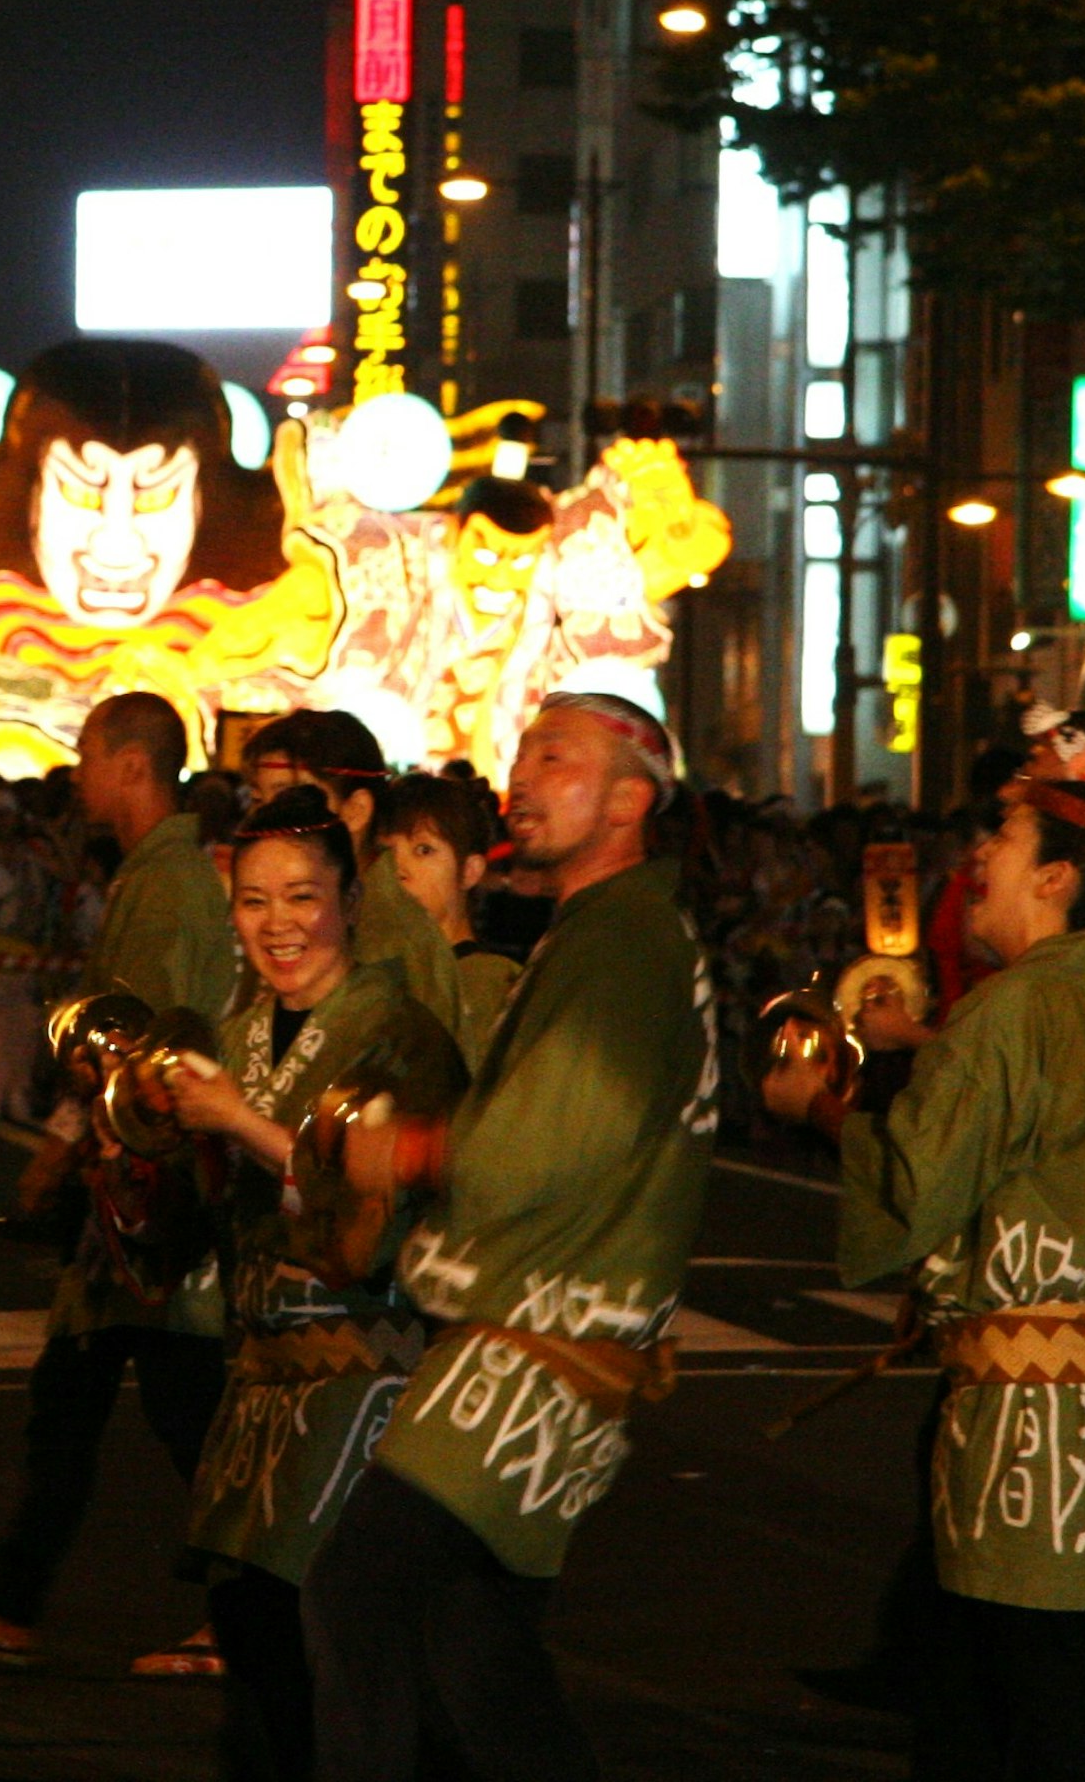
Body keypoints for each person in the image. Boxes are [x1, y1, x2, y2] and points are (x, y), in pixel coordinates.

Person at [299, 692, 713, 1782]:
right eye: (523, 753)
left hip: (536, 1335)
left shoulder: (622, 940)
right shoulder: (608, 931)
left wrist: (414, 1152)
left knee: (359, 1597)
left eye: (557, 758)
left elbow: (550, 1138)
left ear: (630, 798)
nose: (522, 779)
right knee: (472, 1647)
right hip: (556, 1331)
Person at [768, 745, 1085, 1781]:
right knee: (1023, 1677)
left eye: (1002, 839)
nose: (978, 857)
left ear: (1055, 875)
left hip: (1035, 1415)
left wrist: (820, 1106)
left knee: (1046, 1689)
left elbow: (919, 1176)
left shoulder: (1021, 1005)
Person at [159, 788, 466, 1782]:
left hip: (362, 1362)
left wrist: (242, 1125)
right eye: (254, 901)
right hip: (258, 1368)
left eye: (302, 896)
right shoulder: (240, 1032)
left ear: (349, 901)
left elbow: (379, 1210)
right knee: (254, 1625)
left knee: (330, 1630)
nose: (278, 924)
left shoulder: (399, 1034)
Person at [0, 691, 236, 1665]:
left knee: (169, 1414)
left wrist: (69, 1137)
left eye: (88, 754)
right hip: (125, 1195)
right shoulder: (153, 875)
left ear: (133, 764)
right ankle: (12, 1598)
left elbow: (144, 1036)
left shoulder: (169, 887)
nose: (79, 775)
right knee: (91, 1409)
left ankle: (239, 1601)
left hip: (145, 1196)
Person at [243, 710, 457, 1030]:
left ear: (356, 811)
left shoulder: (385, 940)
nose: (271, 821)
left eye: (294, 801)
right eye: (260, 802)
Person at [370, 770, 515, 1056]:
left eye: (424, 850)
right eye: (386, 851)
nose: (398, 869)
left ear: (470, 871)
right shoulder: (381, 979)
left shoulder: (486, 982)